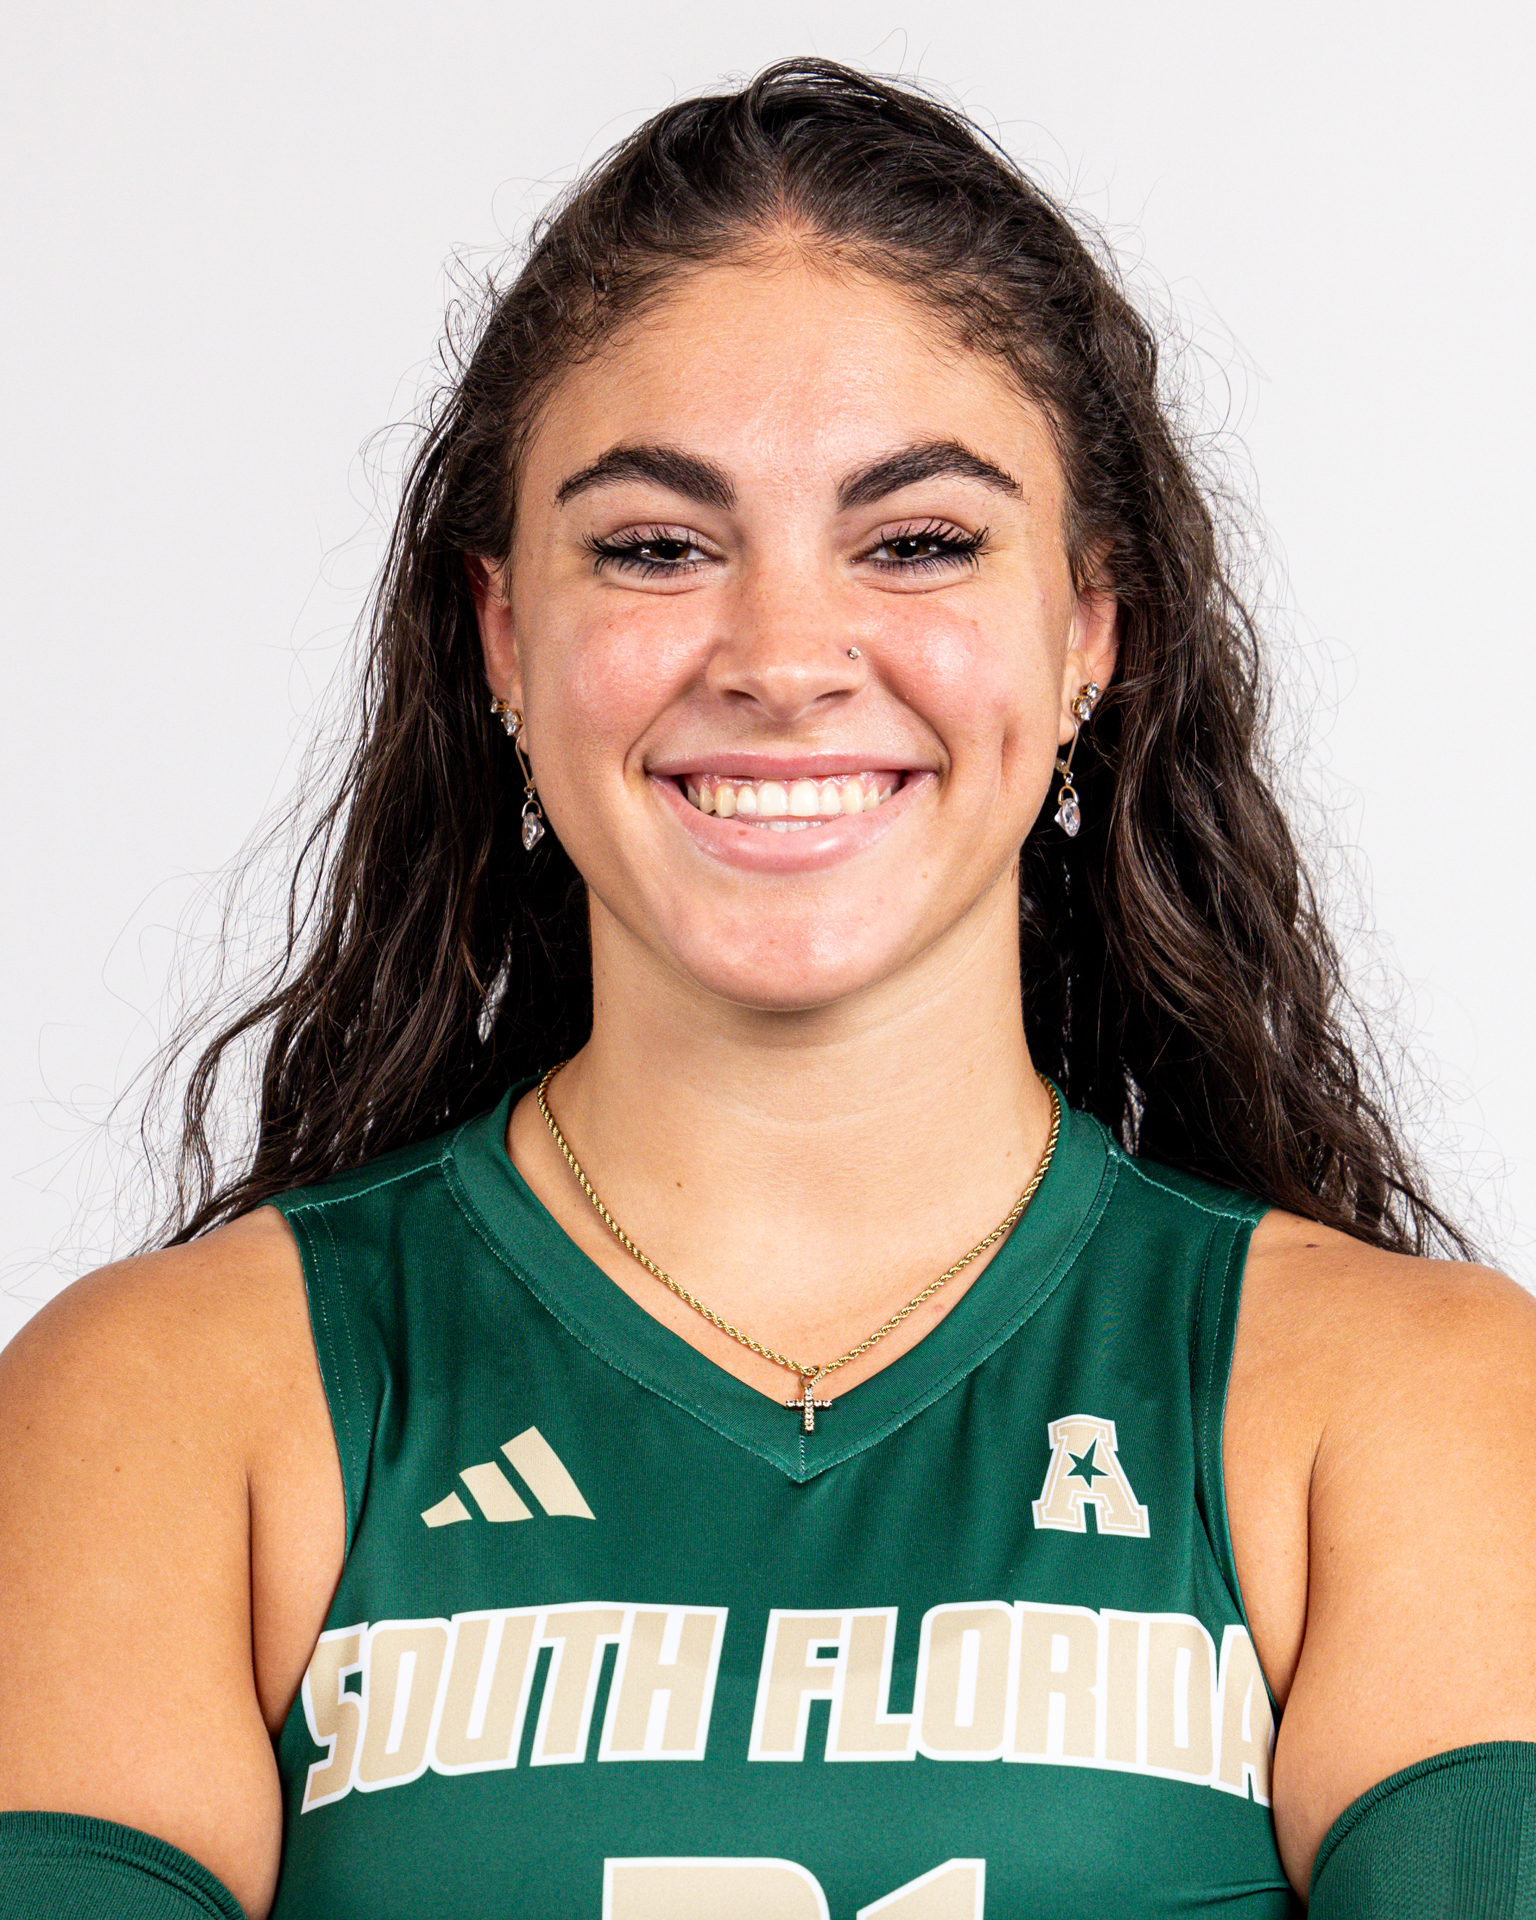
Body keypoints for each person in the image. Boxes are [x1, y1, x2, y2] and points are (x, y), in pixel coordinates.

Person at [1, 57, 1532, 1920]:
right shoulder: (168, 1406)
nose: (786, 658)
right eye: (657, 546)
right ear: (504, 632)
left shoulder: (1401, 1408)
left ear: (1088, 636)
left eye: (916, 542)